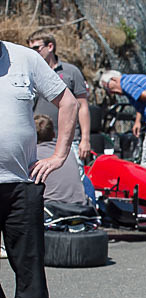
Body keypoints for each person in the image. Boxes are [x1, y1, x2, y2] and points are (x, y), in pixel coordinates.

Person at [0, 39, 78, 298]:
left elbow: (69, 102)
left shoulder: (25, 58)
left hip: (22, 182)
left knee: (29, 264)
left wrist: (59, 155)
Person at [27, 31, 95, 202]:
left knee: (76, 180)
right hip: (39, 140)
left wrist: (85, 139)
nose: (33, 52)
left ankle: (85, 215)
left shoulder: (71, 72)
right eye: (30, 48)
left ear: (50, 47)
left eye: (37, 48)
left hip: (69, 139)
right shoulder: (30, 72)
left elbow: (82, 106)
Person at [35, 115, 87, 204]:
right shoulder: (67, 152)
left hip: (52, 209)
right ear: (54, 134)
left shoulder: (32, 155)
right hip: (81, 206)